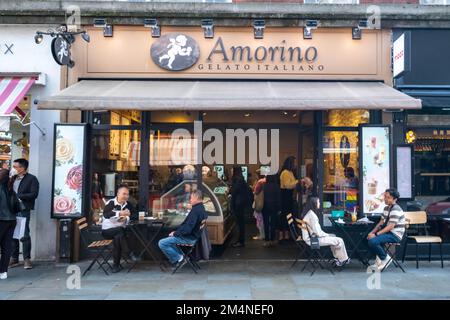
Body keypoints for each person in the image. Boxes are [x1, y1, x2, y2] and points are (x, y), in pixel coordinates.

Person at [158, 190, 208, 269]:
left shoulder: (195, 211)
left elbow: (187, 229)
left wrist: (175, 233)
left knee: (162, 243)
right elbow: (189, 227)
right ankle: (180, 258)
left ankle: (179, 259)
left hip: (188, 238)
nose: (190, 200)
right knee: (170, 239)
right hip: (194, 237)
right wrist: (176, 232)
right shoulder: (202, 209)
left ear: (196, 198)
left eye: (191, 198)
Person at [300, 197, 350, 267]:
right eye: (319, 202)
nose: (320, 204)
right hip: (314, 240)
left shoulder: (309, 213)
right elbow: (318, 232)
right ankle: (343, 259)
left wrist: (327, 235)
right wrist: (327, 235)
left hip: (312, 238)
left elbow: (317, 232)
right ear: (314, 204)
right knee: (339, 240)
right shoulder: (312, 216)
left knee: (334, 237)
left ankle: (339, 258)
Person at [9, 158, 39, 270]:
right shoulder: (11, 178)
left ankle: (27, 259)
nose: (14, 169)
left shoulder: (32, 179)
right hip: (10, 209)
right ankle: (14, 258)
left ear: (22, 168)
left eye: (16, 167)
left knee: (24, 234)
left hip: (23, 209)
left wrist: (19, 196)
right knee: (12, 233)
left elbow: (34, 194)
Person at [102, 185, 138, 273]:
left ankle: (116, 266)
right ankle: (128, 252)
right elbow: (106, 214)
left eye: (127, 194)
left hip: (119, 232)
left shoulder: (127, 204)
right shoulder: (111, 203)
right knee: (120, 231)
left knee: (118, 237)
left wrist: (126, 218)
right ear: (118, 194)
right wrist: (120, 213)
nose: (126, 196)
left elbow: (135, 215)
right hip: (107, 231)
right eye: (124, 194)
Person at [367, 188, 405, 271]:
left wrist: (376, 234)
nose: (385, 199)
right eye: (385, 197)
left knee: (373, 241)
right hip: (388, 233)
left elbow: (391, 226)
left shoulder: (396, 209)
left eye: (388, 197)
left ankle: (385, 258)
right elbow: (380, 223)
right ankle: (379, 261)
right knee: (367, 238)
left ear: (394, 199)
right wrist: (371, 233)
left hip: (395, 235)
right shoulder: (386, 208)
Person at [0, 168, 17, 280]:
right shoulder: (10, 188)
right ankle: (3, 272)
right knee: (7, 246)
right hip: (12, 220)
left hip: (1, 220)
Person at [279, 156, 300, 242]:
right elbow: (287, 185)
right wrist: (298, 181)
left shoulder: (290, 172)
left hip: (288, 196)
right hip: (285, 196)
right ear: (290, 163)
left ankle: (286, 235)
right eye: (294, 163)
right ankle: (284, 236)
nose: (295, 164)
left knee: (288, 215)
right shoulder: (285, 173)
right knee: (285, 215)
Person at [230, 166, 250, 248]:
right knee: (241, 224)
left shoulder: (237, 180)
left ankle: (240, 241)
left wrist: (230, 191)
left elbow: (234, 192)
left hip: (238, 204)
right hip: (241, 204)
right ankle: (240, 241)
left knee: (240, 224)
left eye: (232, 170)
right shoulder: (242, 179)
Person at [261, 174, 281, 247]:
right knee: (273, 223)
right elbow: (278, 198)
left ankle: (266, 240)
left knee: (266, 223)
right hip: (274, 206)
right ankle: (272, 239)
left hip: (265, 206)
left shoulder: (264, 186)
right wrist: (279, 208)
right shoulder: (276, 186)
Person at [252, 169, 266, 241]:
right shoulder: (265, 180)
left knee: (259, 220)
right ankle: (263, 234)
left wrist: (253, 188)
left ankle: (261, 235)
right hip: (265, 203)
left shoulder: (260, 182)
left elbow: (256, 192)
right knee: (263, 219)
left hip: (259, 203)